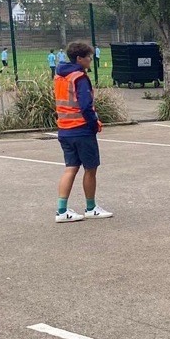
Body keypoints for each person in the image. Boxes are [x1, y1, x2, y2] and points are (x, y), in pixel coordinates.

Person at [54, 41, 112, 223]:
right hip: (81, 129)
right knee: (90, 169)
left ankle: (61, 210)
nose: (90, 60)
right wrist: (94, 124)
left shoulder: (60, 76)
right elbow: (86, 105)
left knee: (70, 168)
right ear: (79, 59)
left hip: (64, 128)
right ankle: (91, 207)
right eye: (88, 57)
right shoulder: (79, 77)